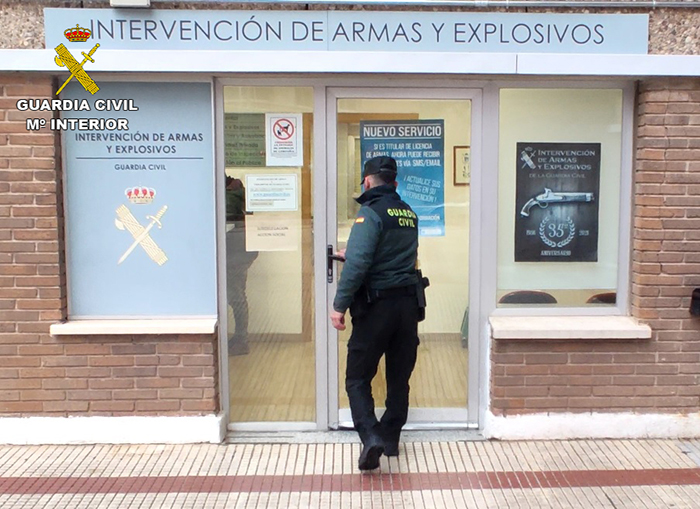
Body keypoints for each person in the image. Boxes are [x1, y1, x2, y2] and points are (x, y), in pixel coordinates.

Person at [330, 156, 421, 471]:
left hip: (376, 307)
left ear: (367, 181)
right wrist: (358, 253)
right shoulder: (408, 213)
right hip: (408, 306)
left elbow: (358, 265)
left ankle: (371, 437)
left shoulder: (369, 213)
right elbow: (400, 255)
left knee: (357, 377)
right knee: (399, 376)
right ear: (394, 183)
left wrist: (339, 306)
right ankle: (390, 438)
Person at [225, 175, 258, 356]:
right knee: (238, 293)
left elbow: (225, 219)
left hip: (235, 250)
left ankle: (241, 340)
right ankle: (240, 338)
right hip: (242, 249)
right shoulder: (238, 191)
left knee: (235, 295)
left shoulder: (229, 196)